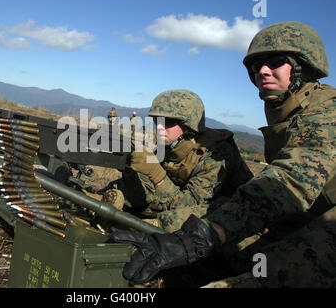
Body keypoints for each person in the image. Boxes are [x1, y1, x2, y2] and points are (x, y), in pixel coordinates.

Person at [110, 21, 335, 287]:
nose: (263, 71)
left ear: (303, 66)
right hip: (289, 221)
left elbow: (290, 182)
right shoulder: (289, 114)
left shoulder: (327, 114)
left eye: (275, 61)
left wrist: (200, 235)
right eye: (256, 66)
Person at [105, 89, 253, 232]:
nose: (160, 127)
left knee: (201, 214)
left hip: (229, 215)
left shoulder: (215, 153)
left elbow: (191, 205)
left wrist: (155, 173)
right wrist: (130, 167)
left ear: (188, 125)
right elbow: (154, 181)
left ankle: (146, 229)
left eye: (168, 122)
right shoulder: (171, 143)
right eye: (157, 120)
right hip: (180, 197)